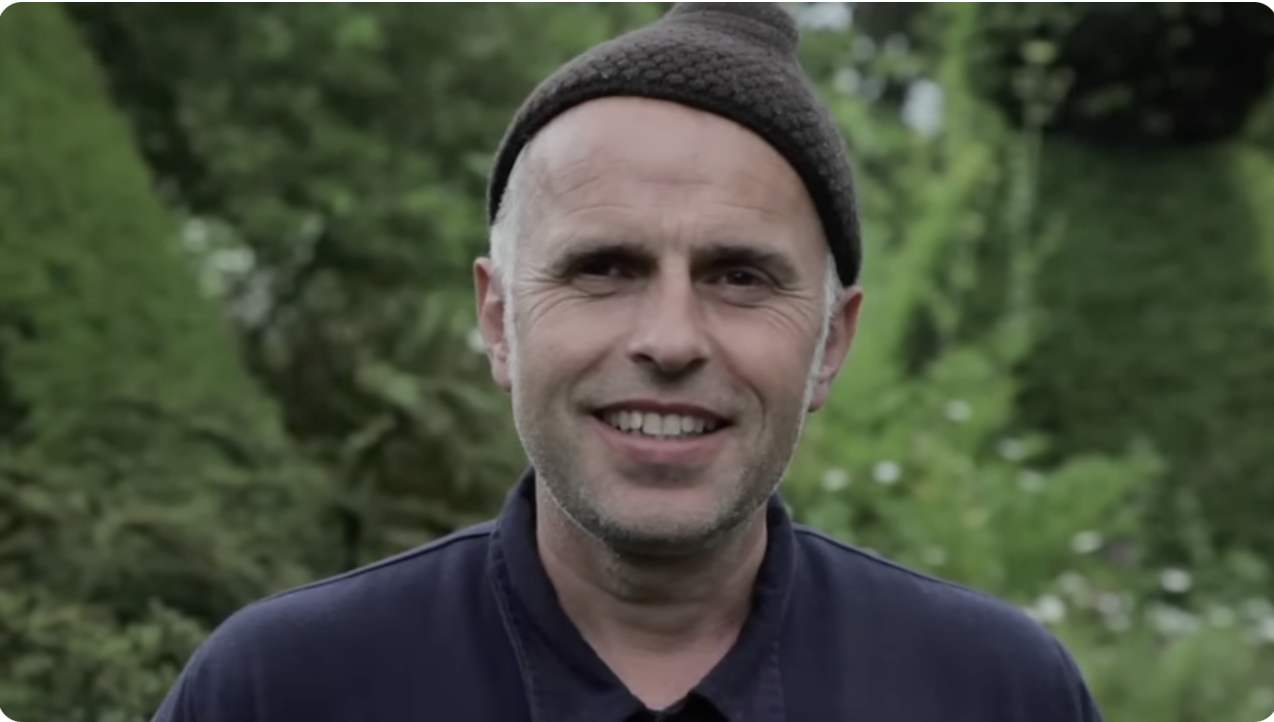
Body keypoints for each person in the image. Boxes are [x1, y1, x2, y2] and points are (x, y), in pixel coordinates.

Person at [152, 4, 1104, 721]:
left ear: (831, 345)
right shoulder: (285, 690)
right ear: (499, 320)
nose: (671, 338)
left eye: (738, 276)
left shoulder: (997, 693)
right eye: (604, 269)